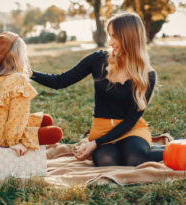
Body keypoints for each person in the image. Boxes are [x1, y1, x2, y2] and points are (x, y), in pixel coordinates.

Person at [30, 13, 164, 166]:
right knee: (107, 161)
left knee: (135, 159)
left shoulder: (147, 75)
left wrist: (94, 144)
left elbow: (131, 120)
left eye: (115, 36)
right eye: (109, 35)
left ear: (129, 38)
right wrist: (31, 73)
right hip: (102, 130)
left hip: (131, 130)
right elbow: (60, 81)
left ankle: (176, 148)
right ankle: (135, 149)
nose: (110, 41)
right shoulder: (97, 60)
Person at [0, 32, 63, 157]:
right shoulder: (18, 80)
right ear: (16, 57)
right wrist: (14, 142)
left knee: (46, 119)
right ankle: (20, 142)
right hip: (8, 138)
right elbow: (16, 115)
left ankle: (17, 137)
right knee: (56, 133)